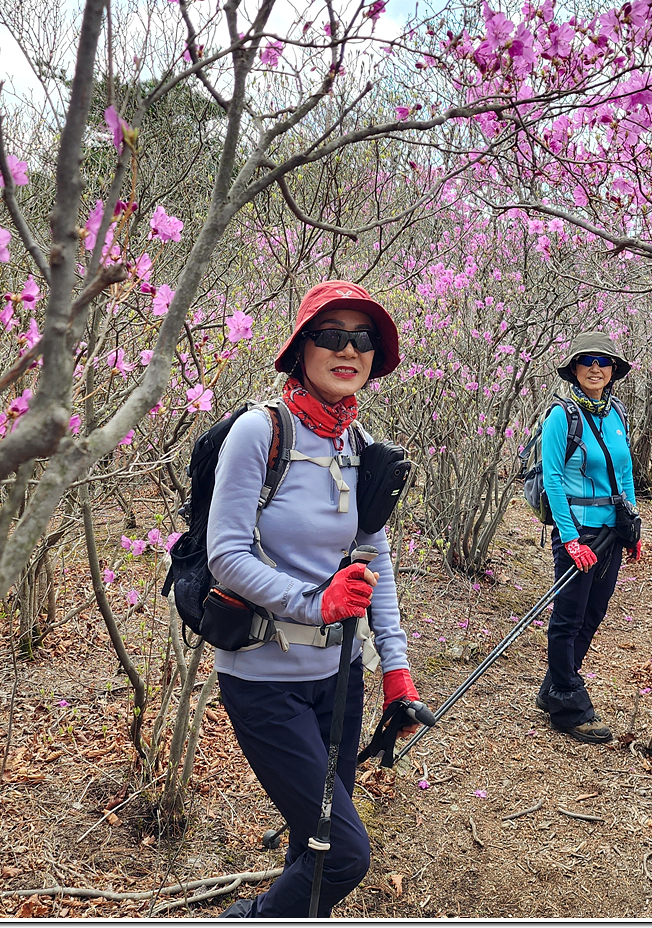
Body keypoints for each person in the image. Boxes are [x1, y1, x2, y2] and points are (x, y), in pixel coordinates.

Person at [207, 281, 419, 919]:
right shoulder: (259, 432)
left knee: (313, 843)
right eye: (332, 336)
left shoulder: (360, 445)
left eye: (363, 338)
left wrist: (396, 669)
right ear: (301, 347)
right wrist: (315, 603)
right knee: (345, 854)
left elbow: (374, 559)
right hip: (264, 681)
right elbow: (226, 556)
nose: (349, 349)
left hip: (341, 678)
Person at [536, 331, 641, 743]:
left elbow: (625, 473)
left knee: (594, 613)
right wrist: (570, 539)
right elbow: (553, 480)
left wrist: (632, 526)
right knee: (569, 618)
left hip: (612, 531)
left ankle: (555, 686)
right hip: (578, 532)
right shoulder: (561, 417)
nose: (595, 368)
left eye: (603, 361)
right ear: (574, 369)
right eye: (586, 361)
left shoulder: (617, 415)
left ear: (613, 370)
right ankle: (568, 705)